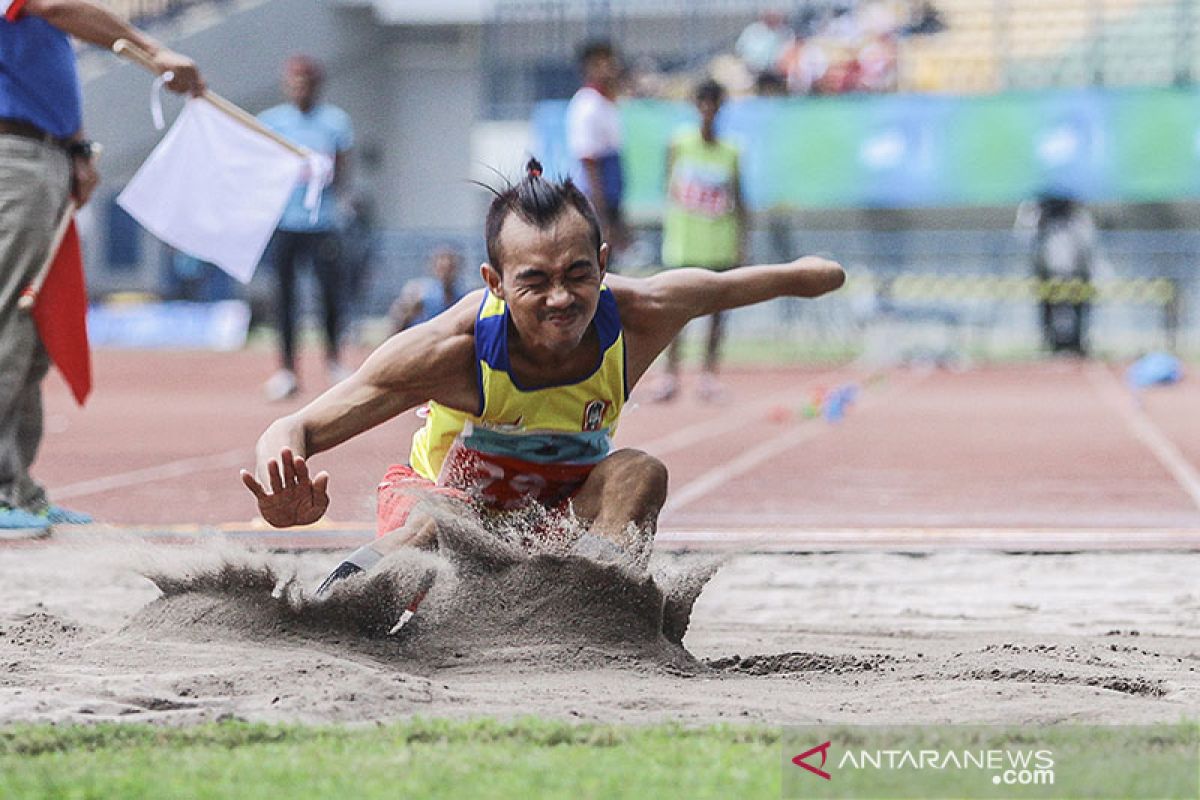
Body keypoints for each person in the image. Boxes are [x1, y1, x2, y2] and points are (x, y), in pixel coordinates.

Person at [240, 158, 844, 618]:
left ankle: (594, 617)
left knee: (639, 472)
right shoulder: (453, 351)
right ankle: (335, 611)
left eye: (578, 275)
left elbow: (737, 284)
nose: (561, 299)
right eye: (535, 282)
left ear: (603, 264)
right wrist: (279, 486)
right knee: (441, 517)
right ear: (494, 282)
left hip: (550, 524)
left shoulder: (638, 316)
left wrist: (811, 276)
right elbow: (293, 429)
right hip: (437, 514)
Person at [0, 0, 203, 533]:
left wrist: (76, 146)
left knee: (30, 328)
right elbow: (54, 7)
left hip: (38, 150)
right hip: (11, 154)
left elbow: (46, 55)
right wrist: (153, 50)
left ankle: (17, 490)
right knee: (9, 323)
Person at [258, 54, 354, 402]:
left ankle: (334, 361)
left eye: (306, 83)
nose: (300, 89)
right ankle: (287, 370)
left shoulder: (335, 123)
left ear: (316, 85)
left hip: (322, 222)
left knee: (329, 293)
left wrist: (337, 199)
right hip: (285, 222)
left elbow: (343, 168)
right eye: (294, 83)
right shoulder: (272, 122)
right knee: (284, 298)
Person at [651, 79, 747, 403]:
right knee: (675, 313)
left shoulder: (731, 150)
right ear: (695, 105)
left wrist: (741, 242)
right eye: (702, 102)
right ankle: (670, 376)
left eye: (714, 103)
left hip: (719, 243)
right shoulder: (678, 144)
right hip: (684, 243)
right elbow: (669, 188)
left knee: (718, 315)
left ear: (720, 107)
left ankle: (707, 375)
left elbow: (740, 198)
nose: (708, 109)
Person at [565, 39, 627, 253]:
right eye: (603, 63)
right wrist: (601, 216)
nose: (610, 68)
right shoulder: (587, 105)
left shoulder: (608, 103)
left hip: (611, 196)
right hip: (595, 200)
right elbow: (589, 162)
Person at [1016, 192, 1096, 356]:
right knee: (1048, 308)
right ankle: (1051, 342)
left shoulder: (1077, 214)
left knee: (1078, 307)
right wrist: (1039, 219)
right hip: (1049, 271)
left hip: (1076, 271)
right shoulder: (1037, 212)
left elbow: (1088, 240)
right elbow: (1023, 236)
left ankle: (1077, 343)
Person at [388, 246, 469, 334]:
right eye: (442, 268)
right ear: (434, 268)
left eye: (451, 268)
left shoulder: (462, 298)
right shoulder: (420, 292)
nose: (446, 273)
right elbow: (399, 320)